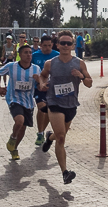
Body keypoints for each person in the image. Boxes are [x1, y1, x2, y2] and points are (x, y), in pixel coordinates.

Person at [39, 30, 93, 186]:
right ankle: (65, 173)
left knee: (59, 134)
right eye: (62, 43)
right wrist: (42, 84)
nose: (65, 46)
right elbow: (43, 75)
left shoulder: (79, 63)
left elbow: (89, 83)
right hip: (54, 102)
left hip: (71, 104)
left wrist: (81, 76)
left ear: (73, 45)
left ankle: (49, 137)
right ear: (58, 44)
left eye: (68, 43)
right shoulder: (51, 63)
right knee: (62, 137)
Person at [0, 44, 41, 161]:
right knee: (19, 121)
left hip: (29, 101)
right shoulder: (11, 66)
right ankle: (13, 137)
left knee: (23, 128)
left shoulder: (36, 69)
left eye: (30, 53)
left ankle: (14, 148)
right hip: (14, 98)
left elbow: (41, 86)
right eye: (26, 53)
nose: (29, 55)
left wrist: (39, 81)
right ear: (20, 55)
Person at [31, 34, 56, 147]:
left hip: (53, 89)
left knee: (49, 112)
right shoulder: (34, 56)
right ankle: (40, 133)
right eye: (45, 45)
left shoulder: (57, 56)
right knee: (41, 108)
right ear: (40, 45)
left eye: (49, 45)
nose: (47, 48)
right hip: (39, 88)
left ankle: (44, 130)